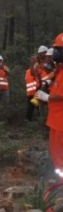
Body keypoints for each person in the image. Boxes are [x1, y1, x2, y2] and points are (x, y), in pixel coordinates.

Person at [36, 33, 63, 176]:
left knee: (60, 156)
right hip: (56, 120)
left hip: (61, 122)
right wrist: (50, 83)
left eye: (58, 49)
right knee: (57, 155)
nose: (55, 53)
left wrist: (47, 97)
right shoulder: (60, 69)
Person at [0, 55, 10, 122]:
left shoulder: (5, 67)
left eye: (0, 61)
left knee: (6, 104)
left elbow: (9, 72)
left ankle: (6, 118)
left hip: (5, 89)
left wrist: (2, 68)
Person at [25, 55, 40, 121]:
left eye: (34, 59)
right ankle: (28, 121)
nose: (33, 60)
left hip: (36, 92)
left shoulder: (38, 69)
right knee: (30, 108)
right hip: (30, 93)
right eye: (32, 59)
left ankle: (39, 121)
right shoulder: (28, 71)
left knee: (38, 107)